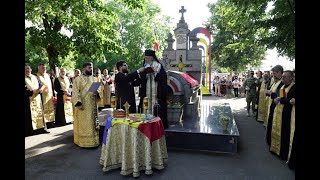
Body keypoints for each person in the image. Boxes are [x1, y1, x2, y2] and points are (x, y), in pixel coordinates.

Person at [72, 62, 102, 148]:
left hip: (92, 105)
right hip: (83, 106)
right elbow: (75, 92)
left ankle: (94, 141)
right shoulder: (78, 79)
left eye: (92, 68)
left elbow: (99, 89)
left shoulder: (94, 79)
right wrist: (78, 103)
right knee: (84, 124)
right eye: (89, 68)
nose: (91, 69)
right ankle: (83, 142)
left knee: (93, 123)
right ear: (84, 69)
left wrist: (97, 92)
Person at [138, 49, 168, 128]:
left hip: (156, 95)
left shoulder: (159, 66)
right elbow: (141, 80)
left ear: (152, 58)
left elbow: (163, 79)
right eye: (145, 58)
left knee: (157, 112)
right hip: (146, 94)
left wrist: (155, 73)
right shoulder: (144, 66)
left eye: (147, 57)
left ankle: (157, 126)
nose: (146, 59)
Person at [269, 70, 295, 160]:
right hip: (279, 112)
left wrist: (280, 100)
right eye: (282, 76)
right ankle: (276, 149)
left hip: (287, 115)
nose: (283, 78)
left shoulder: (293, 87)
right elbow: (280, 97)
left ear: (291, 78)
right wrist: (277, 99)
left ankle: (283, 153)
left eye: (285, 77)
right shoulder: (283, 86)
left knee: (285, 134)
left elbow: (290, 102)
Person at [25, 63, 48, 136]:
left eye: (28, 68)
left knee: (39, 113)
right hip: (28, 100)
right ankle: (32, 131)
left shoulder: (35, 77)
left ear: (31, 69)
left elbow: (42, 85)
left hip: (38, 98)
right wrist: (31, 92)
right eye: (25, 69)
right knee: (30, 116)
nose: (27, 70)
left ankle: (41, 129)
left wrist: (41, 90)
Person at [266, 65, 284, 146]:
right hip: (271, 106)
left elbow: (280, 97)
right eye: (272, 73)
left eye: (274, 73)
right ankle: (269, 140)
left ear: (280, 72)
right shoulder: (274, 83)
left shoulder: (281, 84)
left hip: (278, 109)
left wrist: (271, 94)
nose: (273, 75)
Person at [36, 63, 55, 128]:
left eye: (45, 68)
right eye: (42, 68)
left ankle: (51, 122)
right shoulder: (37, 76)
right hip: (42, 95)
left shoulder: (47, 75)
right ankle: (46, 123)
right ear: (39, 69)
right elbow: (38, 85)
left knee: (51, 108)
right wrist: (43, 89)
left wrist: (53, 94)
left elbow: (51, 85)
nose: (44, 69)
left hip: (49, 94)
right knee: (44, 109)